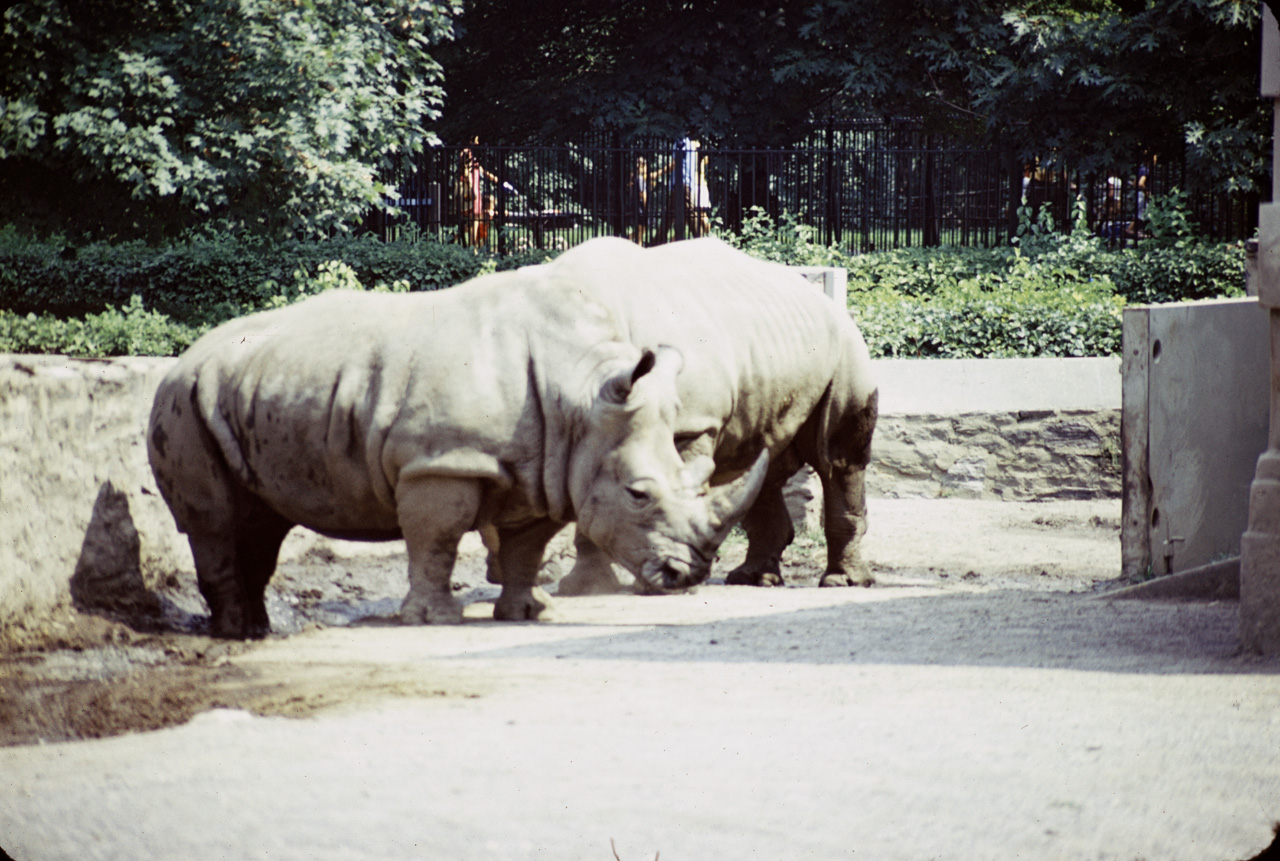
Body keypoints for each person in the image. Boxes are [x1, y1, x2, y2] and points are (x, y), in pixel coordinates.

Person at [661, 137, 712, 241]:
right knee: (673, 215)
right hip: (686, 184)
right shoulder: (691, 145)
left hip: (683, 183)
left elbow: (675, 163)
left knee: (689, 214)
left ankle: (700, 240)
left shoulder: (681, 142)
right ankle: (700, 240)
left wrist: (658, 173)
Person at [456, 137, 501, 246]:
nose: (478, 141)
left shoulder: (472, 155)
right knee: (473, 220)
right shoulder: (466, 153)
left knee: (475, 220)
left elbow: (480, 170)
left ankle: (473, 245)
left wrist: (494, 178)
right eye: (477, 138)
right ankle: (471, 247)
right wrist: (472, 188)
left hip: (474, 190)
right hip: (470, 191)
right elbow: (466, 173)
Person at [629, 154, 671, 246]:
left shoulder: (638, 178)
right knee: (640, 233)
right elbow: (642, 194)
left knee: (642, 230)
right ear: (641, 166)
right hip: (640, 209)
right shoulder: (640, 178)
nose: (647, 168)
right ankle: (637, 247)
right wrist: (646, 207)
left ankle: (627, 239)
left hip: (637, 208)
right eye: (646, 166)